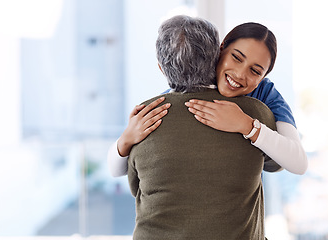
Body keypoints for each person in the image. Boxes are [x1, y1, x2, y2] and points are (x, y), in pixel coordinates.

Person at [122, 15, 276, 239]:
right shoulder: (256, 113)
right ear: (216, 57)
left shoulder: (143, 116)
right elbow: (275, 164)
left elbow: (136, 188)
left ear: (161, 68)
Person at [108, 21, 307, 177]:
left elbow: (298, 163)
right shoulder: (189, 88)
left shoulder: (266, 95)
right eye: (236, 57)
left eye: (255, 71)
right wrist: (126, 139)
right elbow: (116, 170)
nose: (239, 74)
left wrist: (246, 125)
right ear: (220, 50)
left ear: (263, 77)